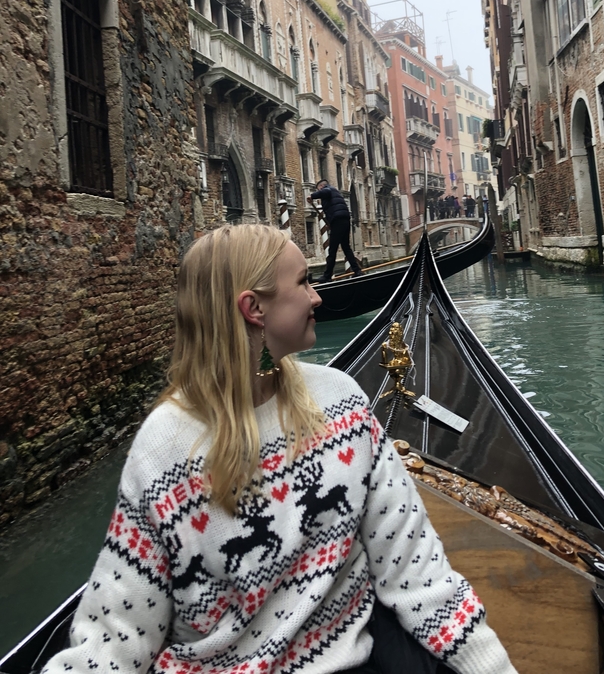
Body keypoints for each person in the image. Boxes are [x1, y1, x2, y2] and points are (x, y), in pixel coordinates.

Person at [42, 225, 518, 674]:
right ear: (255, 309)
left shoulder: (342, 402)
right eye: (304, 281)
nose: (318, 295)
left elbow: (420, 577)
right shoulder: (161, 450)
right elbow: (112, 641)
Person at [309, 179, 362, 281]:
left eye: (318, 189)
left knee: (332, 250)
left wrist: (312, 196)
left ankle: (327, 276)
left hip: (338, 221)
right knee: (346, 247)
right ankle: (357, 271)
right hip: (344, 220)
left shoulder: (328, 189)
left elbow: (325, 193)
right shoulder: (335, 192)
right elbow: (332, 209)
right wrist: (330, 223)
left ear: (321, 187)